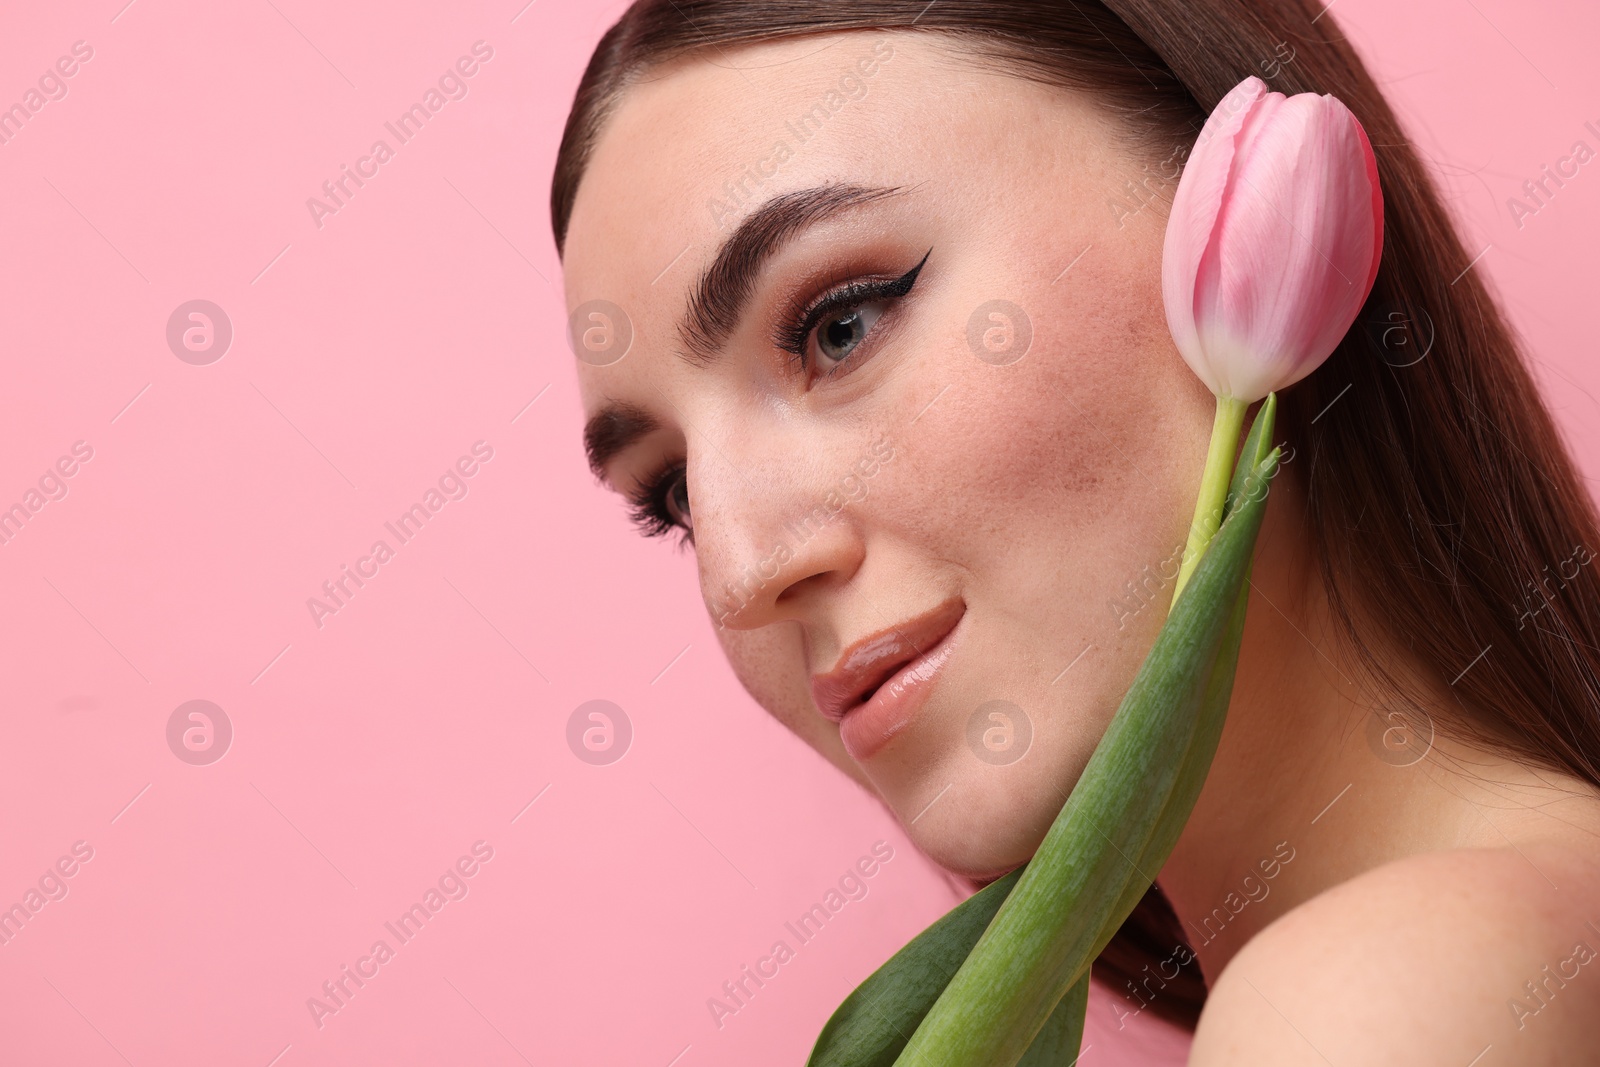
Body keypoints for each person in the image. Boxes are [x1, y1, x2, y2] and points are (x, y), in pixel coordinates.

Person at [552, 1, 1600, 1061]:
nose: (738, 573)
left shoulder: (1383, 1002)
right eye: (673, 492)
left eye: (842, 324)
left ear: (1226, 202)